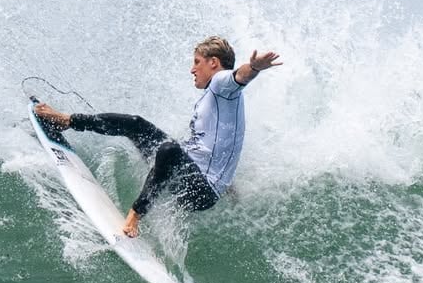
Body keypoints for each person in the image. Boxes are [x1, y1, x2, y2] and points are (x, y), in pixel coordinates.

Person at [35, 36, 282, 238]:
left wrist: (256, 67)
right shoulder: (213, 99)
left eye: (197, 62)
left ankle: (135, 216)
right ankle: (68, 120)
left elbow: (240, 76)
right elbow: (210, 148)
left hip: (200, 192)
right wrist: (229, 186)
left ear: (214, 63)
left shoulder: (221, 84)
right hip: (192, 177)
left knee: (168, 150)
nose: (192, 69)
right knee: (136, 124)